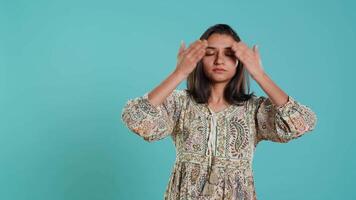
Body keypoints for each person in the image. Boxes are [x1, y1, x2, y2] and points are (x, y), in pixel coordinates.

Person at [121, 24, 317, 200]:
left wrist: (259, 74)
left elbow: (302, 122)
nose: (219, 60)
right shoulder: (180, 104)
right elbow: (135, 117)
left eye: (229, 54)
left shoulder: (254, 109)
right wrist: (179, 73)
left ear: (239, 61)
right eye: (210, 53)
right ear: (198, 58)